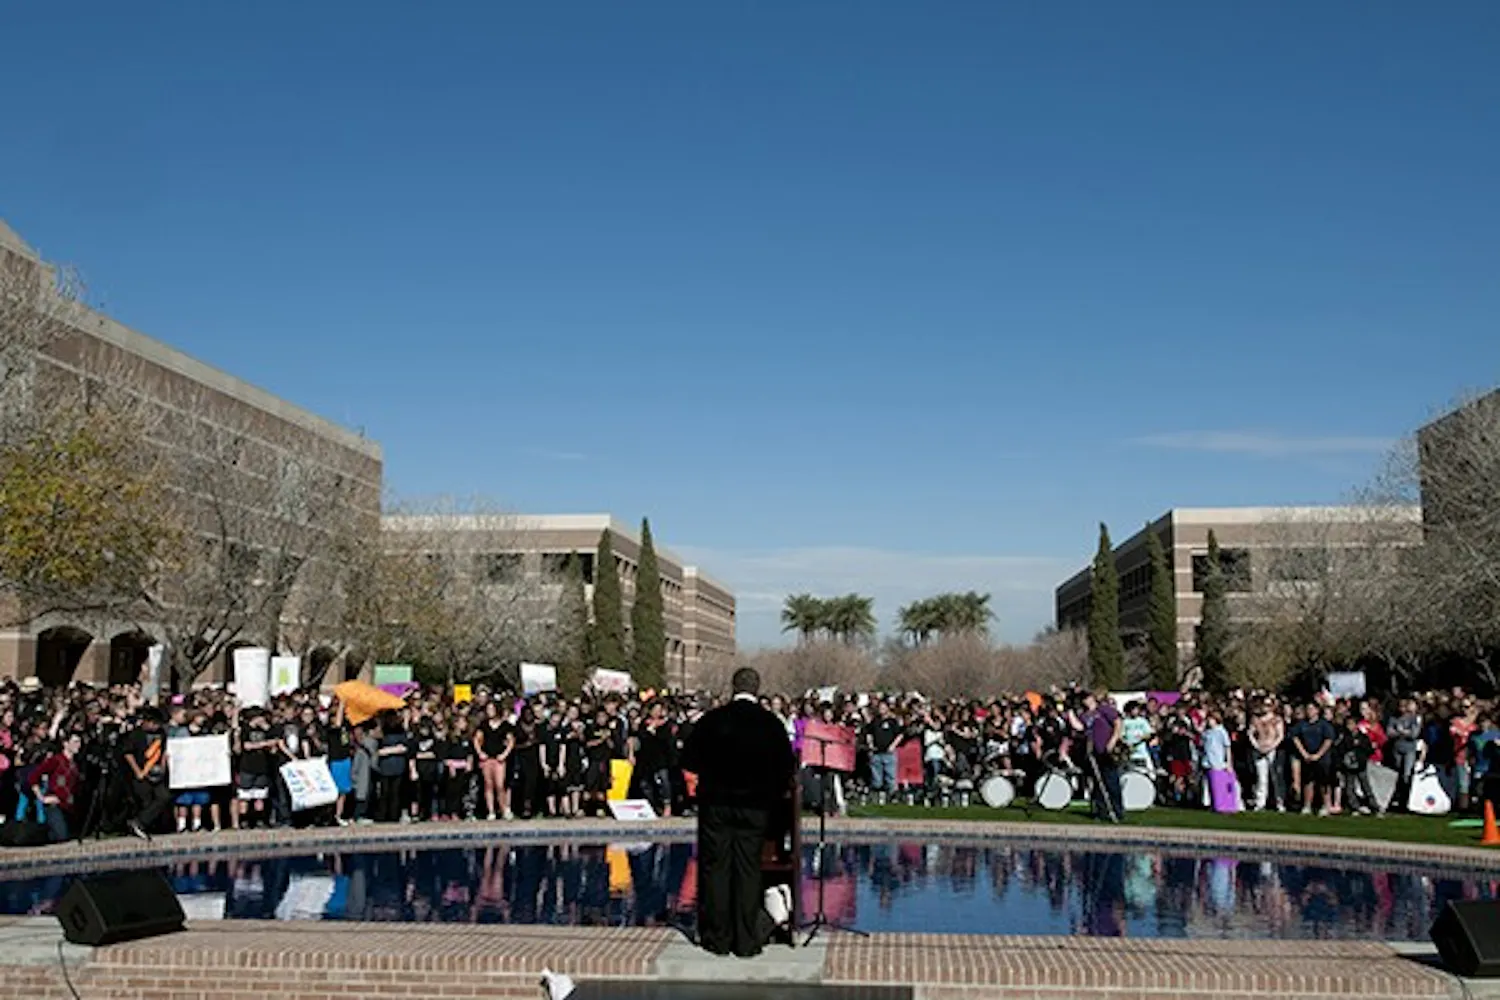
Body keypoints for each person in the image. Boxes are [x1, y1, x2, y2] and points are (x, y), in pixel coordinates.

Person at [680, 667, 797, 959]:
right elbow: (786, 768)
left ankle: (717, 939)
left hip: (717, 805)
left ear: (733, 687)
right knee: (748, 871)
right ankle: (746, 942)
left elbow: (689, 760)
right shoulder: (770, 724)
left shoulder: (712, 720)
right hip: (755, 807)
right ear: (757, 689)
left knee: (716, 870)